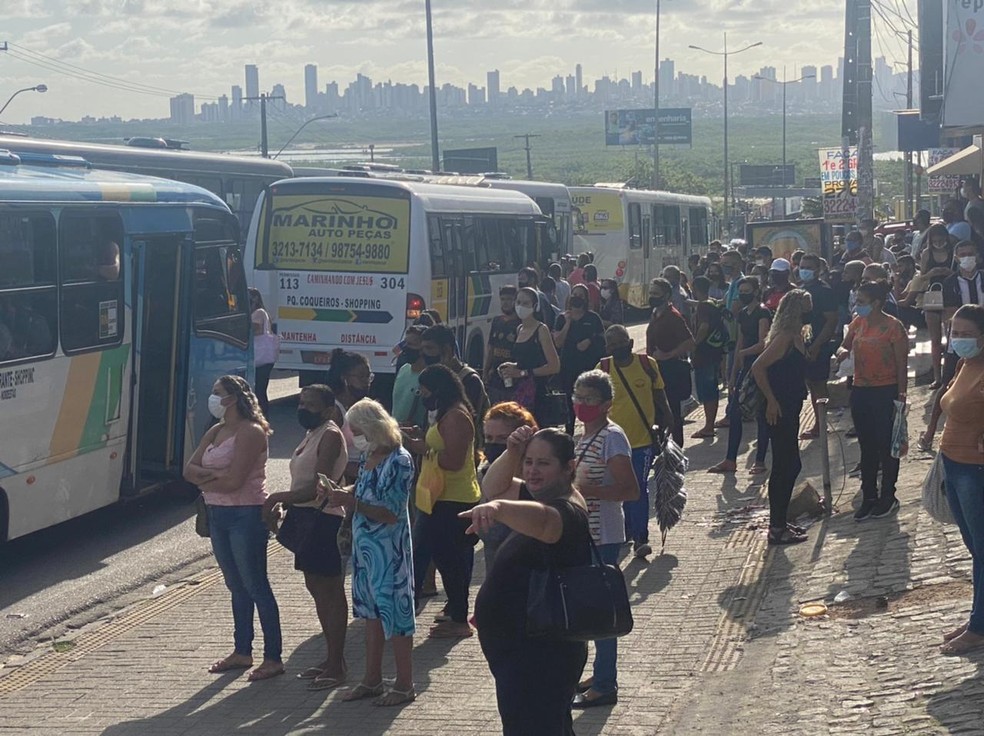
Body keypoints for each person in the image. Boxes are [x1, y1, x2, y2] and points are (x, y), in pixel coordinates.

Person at [471, 427, 592, 735]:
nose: (532, 471)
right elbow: (492, 486)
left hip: (541, 655)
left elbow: (542, 520)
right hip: (520, 651)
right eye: (529, 462)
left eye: (544, 463)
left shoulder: (565, 509)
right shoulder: (541, 492)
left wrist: (498, 509)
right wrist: (512, 452)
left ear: (569, 468)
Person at [183, 375, 282, 681]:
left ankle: (273, 656)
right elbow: (187, 470)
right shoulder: (216, 430)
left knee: (256, 585)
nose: (212, 398)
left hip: (246, 514)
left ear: (233, 398)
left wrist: (206, 477)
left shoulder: (251, 432)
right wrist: (211, 477)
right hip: (217, 514)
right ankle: (242, 650)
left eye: (217, 393)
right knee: (235, 585)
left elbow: (235, 480)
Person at [327, 399, 417, 705]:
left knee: (397, 616)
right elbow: (366, 489)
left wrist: (350, 501)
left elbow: (390, 512)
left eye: (356, 430)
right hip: (365, 552)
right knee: (371, 616)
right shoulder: (370, 455)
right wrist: (341, 492)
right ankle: (372, 679)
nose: (353, 436)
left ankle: (405, 684)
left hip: (389, 551)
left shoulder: (399, 460)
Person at [262, 385, 349, 690]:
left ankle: (337, 665)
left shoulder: (330, 434)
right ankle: (331, 659)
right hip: (306, 515)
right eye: (301, 402)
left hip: (323, 519)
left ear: (327, 409)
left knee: (330, 592)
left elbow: (318, 487)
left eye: (311, 404)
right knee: (316, 589)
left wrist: (276, 497)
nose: (303, 408)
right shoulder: (313, 433)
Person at [568, 370, 639, 709]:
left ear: (606, 404)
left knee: (601, 611)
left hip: (604, 534)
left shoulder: (612, 437)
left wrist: (586, 492)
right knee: (590, 609)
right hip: (584, 532)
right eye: (577, 397)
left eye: (589, 399)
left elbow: (630, 489)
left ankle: (606, 684)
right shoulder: (583, 436)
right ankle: (599, 673)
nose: (581, 404)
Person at [403, 364, 481, 639]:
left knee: (448, 561)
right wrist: (422, 439)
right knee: (425, 555)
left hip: (452, 500)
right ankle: (410, 612)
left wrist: (421, 448)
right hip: (434, 498)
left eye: (425, 391)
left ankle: (459, 619)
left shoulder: (457, 416)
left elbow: (453, 461)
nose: (422, 396)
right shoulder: (445, 414)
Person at [932, 304, 984, 656]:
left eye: (967, 334)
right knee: (975, 549)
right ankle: (977, 617)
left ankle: (979, 627)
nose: (959, 339)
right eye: (956, 333)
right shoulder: (966, 364)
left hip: (975, 468)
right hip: (953, 462)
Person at [598, 324, 673, 557]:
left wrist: (670, 419)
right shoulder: (603, 368)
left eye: (622, 343)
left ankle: (641, 537)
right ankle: (625, 531)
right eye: (613, 345)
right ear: (607, 348)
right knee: (618, 490)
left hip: (642, 441)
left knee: (638, 488)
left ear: (630, 343)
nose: (619, 348)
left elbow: (659, 393)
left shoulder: (646, 364)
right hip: (612, 443)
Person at [836, 281, 908, 521]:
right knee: (866, 446)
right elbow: (843, 346)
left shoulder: (893, 327)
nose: (858, 306)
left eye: (862, 302)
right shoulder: (858, 323)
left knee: (886, 444)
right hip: (860, 388)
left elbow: (901, 365)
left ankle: (888, 495)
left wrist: (901, 396)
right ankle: (869, 496)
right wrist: (842, 353)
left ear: (876, 302)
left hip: (885, 390)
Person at [751, 291, 812, 545]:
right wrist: (772, 401)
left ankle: (781, 520)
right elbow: (758, 367)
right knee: (785, 466)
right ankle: (776, 526)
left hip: (792, 403)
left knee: (790, 464)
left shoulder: (799, 335)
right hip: (778, 408)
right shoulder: (784, 337)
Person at [709, 277, 772, 475]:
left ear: (756, 291)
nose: (744, 294)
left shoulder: (762, 312)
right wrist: (733, 371)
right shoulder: (743, 314)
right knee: (735, 412)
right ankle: (730, 459)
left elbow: (764, 342)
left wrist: (744, 353)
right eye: (741, 291)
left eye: (747, 291)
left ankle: (760, 460)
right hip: (745, 368)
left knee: (762, 414)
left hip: (760, 367)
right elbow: (740, 343)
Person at [477, 402, 539, 569]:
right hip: (497, 578)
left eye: (503, 438)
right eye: (489, 438)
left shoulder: (535, 479)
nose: (494, 444)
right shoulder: (485, 472)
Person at [498, 287, 561, 423]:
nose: (521, 306)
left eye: (526, 303)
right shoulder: (519, 329)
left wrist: (522, 373)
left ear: (535, 306)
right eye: (518, 302)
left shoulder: (541, 330)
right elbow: (525, 360)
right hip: (518, 392)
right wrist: (511, 367)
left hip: (537, 394)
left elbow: (554, 366)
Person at [421, 324, 489, 449]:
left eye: (429, 348)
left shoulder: (469, 380)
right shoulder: (435, 378)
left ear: (446, 349)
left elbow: (465, 425)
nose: (425, 354)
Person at [646, 277, 695, 448]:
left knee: (671, 411)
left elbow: (690, 341)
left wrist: (668, 355)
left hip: (670, 370)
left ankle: (676, 449)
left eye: (656, 293)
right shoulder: (654, 313)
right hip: (655, 370)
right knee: (657, 412)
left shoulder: (673, 316)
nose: (652, 296)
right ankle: (662, 448)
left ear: (666, 295)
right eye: (651, 293)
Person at [553, 283, 606, 434]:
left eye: (581, 296)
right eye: (575, 295)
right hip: (568, 367)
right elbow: (558, 342)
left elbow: (602, 339)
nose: (577, 298)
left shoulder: (593, 318)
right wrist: (568, 322)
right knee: (570, 403)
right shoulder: (562, 318)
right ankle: (569, 433)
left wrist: (589, 341)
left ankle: (593, 430)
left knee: (591, 400)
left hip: (589, 367)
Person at [798, 253, 840, 439]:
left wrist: (816, 346)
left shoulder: (823, 291)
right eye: (802, 266)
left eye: (808, 267)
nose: (804, 270)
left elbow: (831, 321)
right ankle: (818, 422)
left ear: (817, 269)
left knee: (819, 385)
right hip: (803, 345)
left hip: (818, 346)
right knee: (810, 385)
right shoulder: (801, 289)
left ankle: (821, 424)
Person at [327, 349, 374, 482]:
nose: (367, 382)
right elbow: (326, 458)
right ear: (344, 378)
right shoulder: (335, 411)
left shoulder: (368, 405)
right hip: (345, 480)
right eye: (361, 377)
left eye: (369, 376)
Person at [689, 275, 725, 439]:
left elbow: (703, 326)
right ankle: (709, 424)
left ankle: (708, 425)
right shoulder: (712, 303)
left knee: (707, 389)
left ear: (695, 288)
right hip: (714, 352)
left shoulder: (703, 307)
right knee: (711, 389)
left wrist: (695, 343)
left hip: (704, 354)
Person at [484, 285, 522, 405]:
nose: (506, 303)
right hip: (495, 376)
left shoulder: (520, 323)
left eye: (509, 300)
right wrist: (485, 371)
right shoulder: (497, 321)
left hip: (513, 376)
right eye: (503, 299)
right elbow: (491, 348)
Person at [391, 326, 428, 430]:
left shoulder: (428, 375)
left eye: (412, 344)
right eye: (405, 343)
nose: (406, 348)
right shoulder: (404, 370)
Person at [248, 288, 276, 416]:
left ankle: (262, 416)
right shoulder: (262, 312)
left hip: (261, 358)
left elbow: (256, 329)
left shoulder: (259, 312)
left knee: (259, 390)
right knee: (260, 389)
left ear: (255, 299)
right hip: (264, 359)